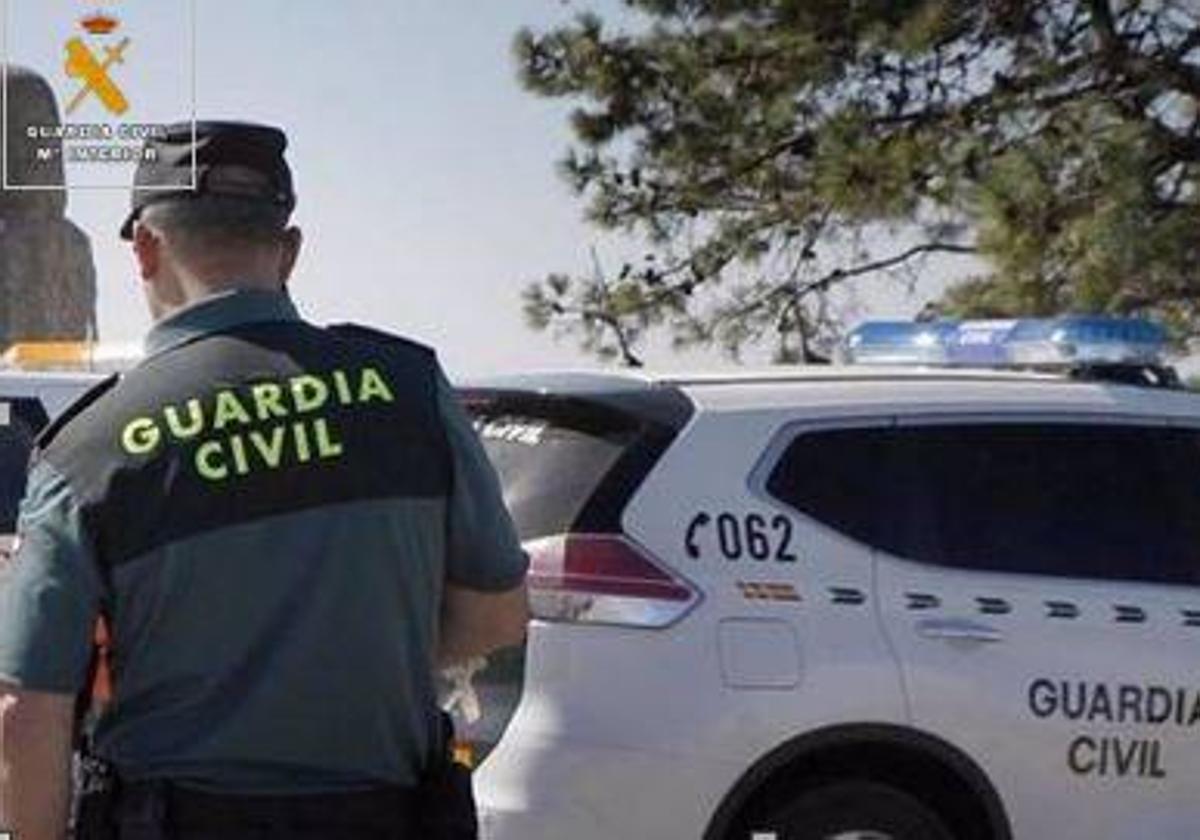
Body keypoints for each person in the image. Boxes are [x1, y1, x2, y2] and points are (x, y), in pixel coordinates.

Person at [0, 121, 529, 840]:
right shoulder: (410, 390)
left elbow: (27, 708)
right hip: (383, 815)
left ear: (145, 250)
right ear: (289, 251)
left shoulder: (88, 449)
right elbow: (496, 616)